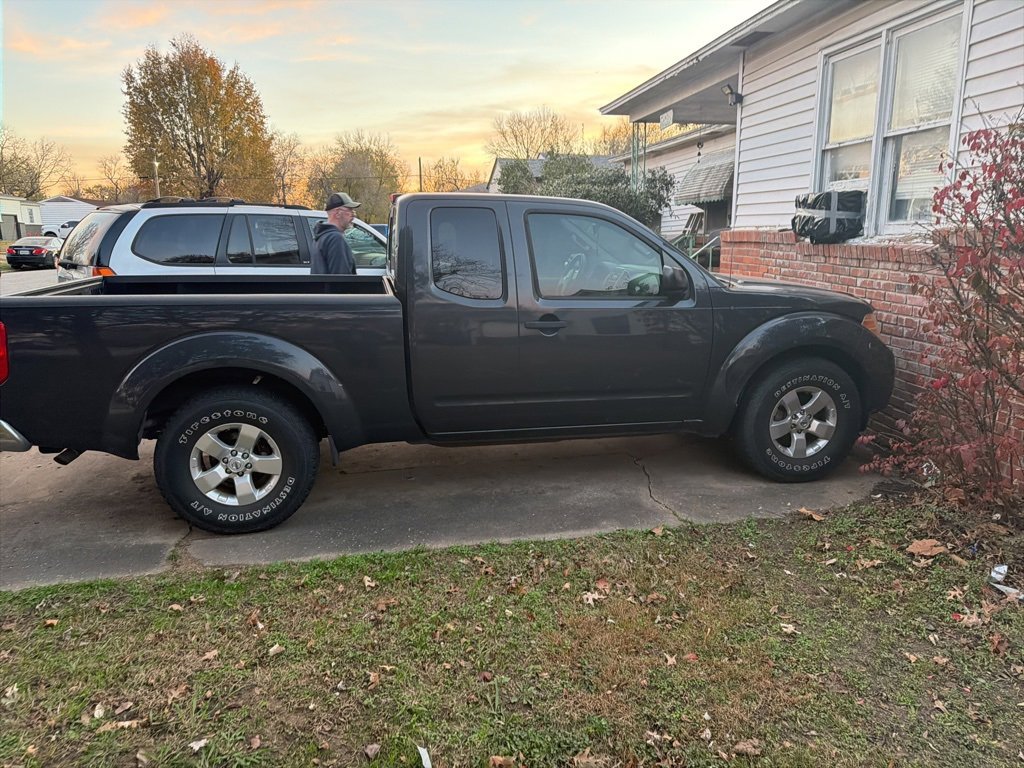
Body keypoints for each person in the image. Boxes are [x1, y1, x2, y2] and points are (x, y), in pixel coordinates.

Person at [311, 192, 361, 275]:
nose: (353, 215)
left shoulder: (320, 237)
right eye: (350, 210)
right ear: (337, 213)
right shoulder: (335, 239)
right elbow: (341, 280)